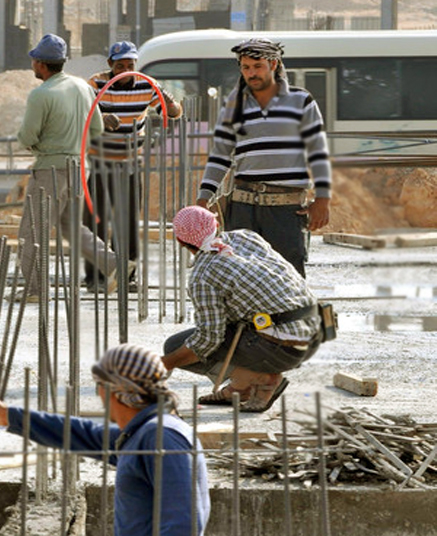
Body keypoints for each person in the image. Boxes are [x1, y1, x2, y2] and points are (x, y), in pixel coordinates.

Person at [0, 343, 210, 535]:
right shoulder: (143, 433)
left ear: (113, 390)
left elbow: (182, 523)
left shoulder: (160, 437)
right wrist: (8, 416)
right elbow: (82, 434)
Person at [162, 206, 324, 412]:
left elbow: (208, 339)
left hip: (287, 346)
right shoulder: (245, 237)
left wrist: (165, 363)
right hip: (314, 329)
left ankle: (264, 379)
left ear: (179, 241)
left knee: (176, 347)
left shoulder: (203, 275)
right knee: (233, 322)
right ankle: (241, 388)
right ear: (217, 224)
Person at [196, 37, 332, 277]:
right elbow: (220, 156)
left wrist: (323, 199)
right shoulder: (233, 106)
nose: (252, 73)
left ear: (274, 65)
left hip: (285, 210)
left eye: (257, 66)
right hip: (242, 209)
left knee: (288, 277)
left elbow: (318, 153)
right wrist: (202, 199)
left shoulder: (302, 101)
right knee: (242, 277)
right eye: (246, 67)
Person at [16, 34, 118, 301]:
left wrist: (35, 144)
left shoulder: (41, 95)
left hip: (51, 170)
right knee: (71, 226)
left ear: (40, 64)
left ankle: (35, 289)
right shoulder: (83, 88)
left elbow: (27, 136)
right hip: (79, 169)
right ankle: (114, 264)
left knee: (32, 231)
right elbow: (96, 128)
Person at [84, 41, 183, 292]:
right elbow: (80, 112)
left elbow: (173, 113)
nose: (126, 69)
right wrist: (100, 117)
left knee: (126, 223)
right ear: (110, 65)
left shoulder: (146, 84)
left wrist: (170, 101)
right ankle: (95, 278)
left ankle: (125, 277)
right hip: (100, 161)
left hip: (130, 161)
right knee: (96, 220)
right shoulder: (95, 84)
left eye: (130, 64)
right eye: (120, 65)